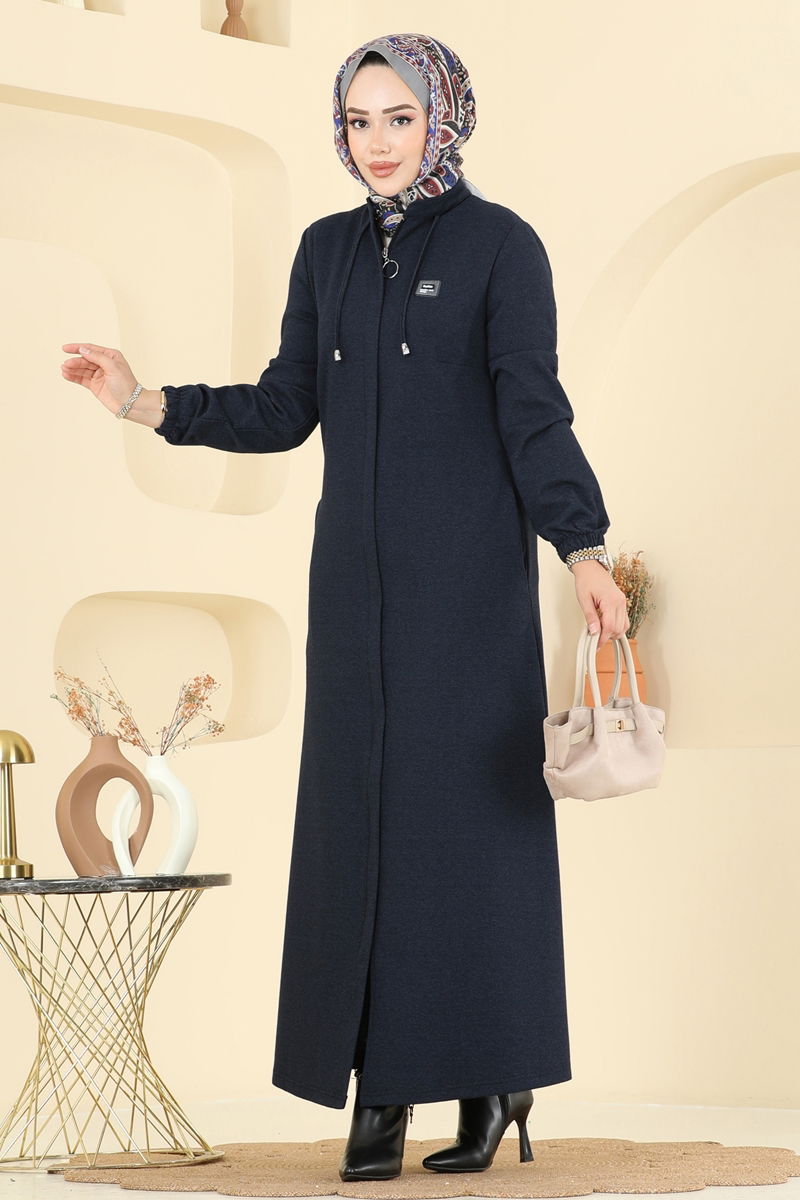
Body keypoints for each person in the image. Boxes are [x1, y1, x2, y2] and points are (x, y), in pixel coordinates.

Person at [60, 31, 630, 1183]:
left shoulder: (499, 247)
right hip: (352, 598)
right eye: (359, 121)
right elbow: (284, 408)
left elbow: (532, 408)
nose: (376, 142)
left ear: (441, 120)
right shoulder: (324, 251)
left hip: (467, 594)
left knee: (465, 834)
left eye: (398, 119)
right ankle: (379, 1092)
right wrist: (144, 401)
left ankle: (489, 1078)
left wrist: (580, 544)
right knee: (354, 832)